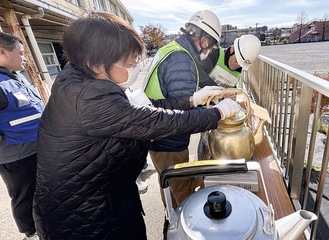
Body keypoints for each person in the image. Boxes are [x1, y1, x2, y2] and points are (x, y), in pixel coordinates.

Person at [32, 11, 241, 240]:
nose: (135, 66)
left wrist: (192, 100)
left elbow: (149, 108)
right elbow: (159, 121)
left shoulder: (84, 81)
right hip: (85, 220)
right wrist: (218, 112)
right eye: (128, 60)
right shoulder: (90, 99)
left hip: (96, 200)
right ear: (95, 62)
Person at [142, 9, 222, 209]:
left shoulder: (172, 48)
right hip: (169, 141)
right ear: (203, 40)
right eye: (212, 46)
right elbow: (183, 118)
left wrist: (201, 100)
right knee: (183, 193)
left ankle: (170, 218)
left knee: (167, 185)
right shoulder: (182, 60)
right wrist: (217, 113)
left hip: (156, 135)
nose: (210, 51)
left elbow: (179, 99)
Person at [0, 32, 44, 240]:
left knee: (40, 192)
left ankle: (43, 226)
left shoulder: (15, 77)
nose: (25, 57)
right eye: (21, 52)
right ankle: (31, 233)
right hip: (16, 156)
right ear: (2, 51)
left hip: (35, 148)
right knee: (24, 196)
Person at [198, 34, 261, 160]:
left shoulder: (238, 69)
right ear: (232, 49)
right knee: (204, 145)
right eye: (237, 60)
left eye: (241, 64)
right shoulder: (214, 55)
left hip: (218, 110)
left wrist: (230, 95)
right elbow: (198, 74)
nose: (237, 65)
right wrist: (220, 91)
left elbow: (231, 88)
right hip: (201, 105)